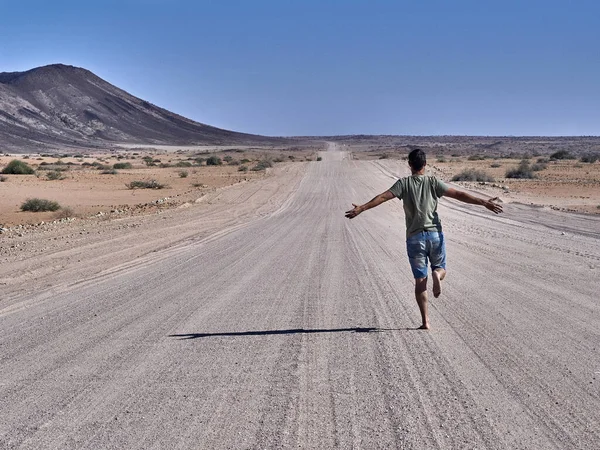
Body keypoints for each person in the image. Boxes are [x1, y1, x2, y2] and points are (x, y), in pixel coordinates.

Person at [345, 149, 503, 330]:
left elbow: (382, 197)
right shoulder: (433, 182)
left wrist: (362, 208)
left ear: (409, 164)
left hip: (414, 238)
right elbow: (459, 195)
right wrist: (483, 202)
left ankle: (425, 321)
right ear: (425, 165)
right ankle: (438, 274)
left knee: (420, 281)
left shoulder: (403, 184)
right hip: (435, 235)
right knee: (441, 268)